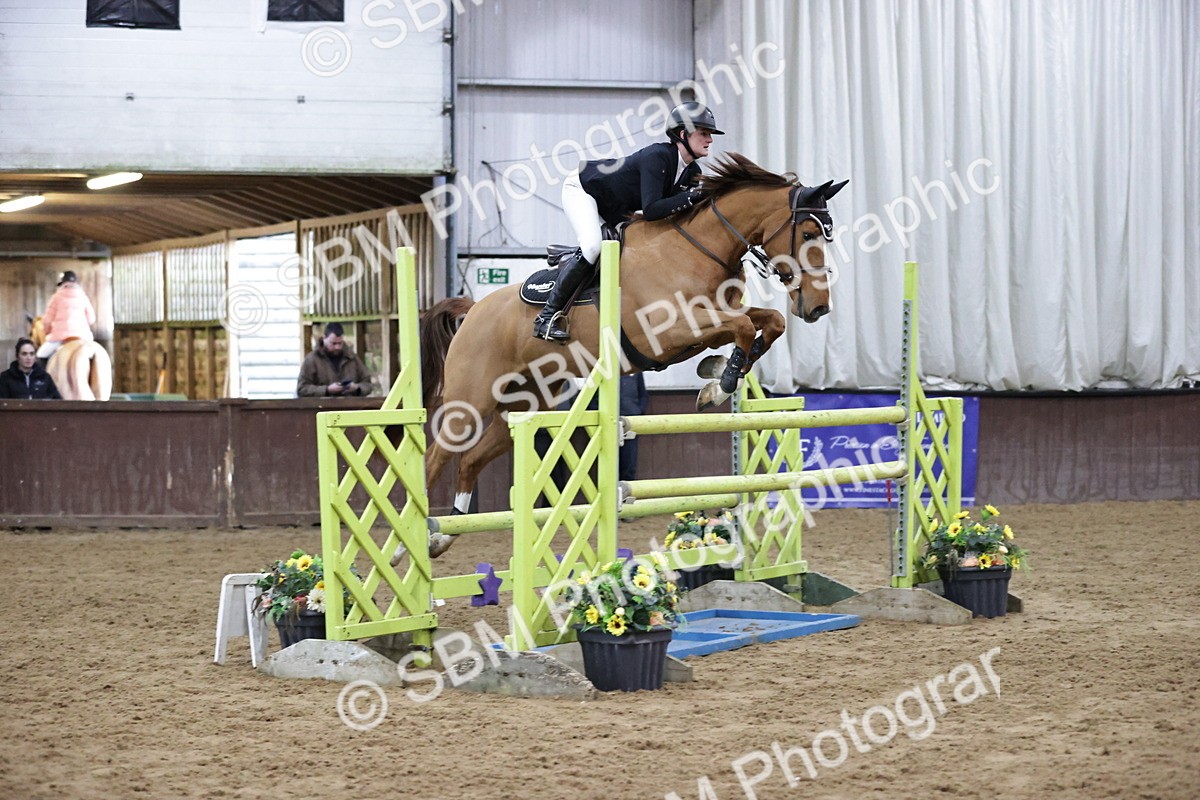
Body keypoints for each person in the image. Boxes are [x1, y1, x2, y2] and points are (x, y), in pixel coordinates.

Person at [533, 101, 725, 342]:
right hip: (584, 189)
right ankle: (545, 318)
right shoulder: (658, 156)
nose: (710, 140)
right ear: (683, 134)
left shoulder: (691, 170)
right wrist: (693, 196)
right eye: (704, 133)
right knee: (593, 245)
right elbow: (653, 209)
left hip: (616, 208)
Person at [296, 322, 375, 397]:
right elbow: (302, 389)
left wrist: (357, 388)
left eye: (340, 343)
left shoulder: (352, 359)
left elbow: (368, 384)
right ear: (324, 338)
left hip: (350, 406)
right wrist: (326, 390)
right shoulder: (311, 360)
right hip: (321, 407)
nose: (337, 347)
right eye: (333, 343)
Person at [37, 270, 97, 362]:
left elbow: (47, 321)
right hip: (83, 337)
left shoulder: (56, 297)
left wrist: (48, 331)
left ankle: (42, 377)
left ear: (62, 283)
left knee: (40, 354)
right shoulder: (83, 297)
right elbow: (92, 319)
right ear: (76, 283)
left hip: (60, 337)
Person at [618, 374, 650, 482]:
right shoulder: (603, 368)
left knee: (629, 464)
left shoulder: (635, 370)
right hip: (610, 422)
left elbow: (643, 394)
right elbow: (593, 399)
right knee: (609, 463)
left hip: (630, 423)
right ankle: (610, 496)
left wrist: (638, 411)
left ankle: (627, 495)